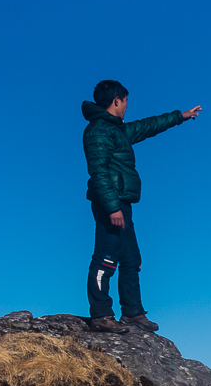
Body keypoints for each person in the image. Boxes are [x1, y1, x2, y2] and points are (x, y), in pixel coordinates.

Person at [81, 80, 202, 332]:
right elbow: (98, 171)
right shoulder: (99, 131)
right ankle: (101, 314)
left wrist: (180, 116)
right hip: (110, 204)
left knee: (131, 259)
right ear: (117, 101)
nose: (127, 107)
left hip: (121, 202)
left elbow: (149, 126)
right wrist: (112, 207)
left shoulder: (118, 130)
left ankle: (133, 313)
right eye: (125, 101)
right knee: (106, 257)